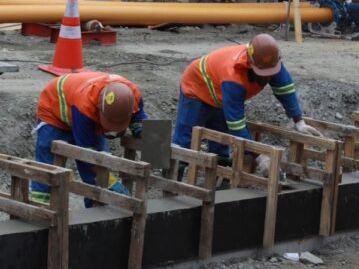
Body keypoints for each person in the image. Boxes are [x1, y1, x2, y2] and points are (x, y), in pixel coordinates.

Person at [173, 34, 322, 179]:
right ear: (250, 65)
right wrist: (258, 156)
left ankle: (219, 182)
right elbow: (237, 126)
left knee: (220, 141)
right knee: (187, 137)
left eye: (270, 73)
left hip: (219, 90)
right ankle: (173, 177)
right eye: (262, 73)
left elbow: (285, 89)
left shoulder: (271, 62)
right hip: (197, 87)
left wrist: (299, 121)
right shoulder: (233, 77)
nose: (267, 77)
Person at [31, 71, 148, 206]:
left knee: (98, 171)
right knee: (48, 166)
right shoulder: (85, 107)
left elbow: (140, 119)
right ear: (99, 109)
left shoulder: (134, 96)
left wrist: (145, 133)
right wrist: (110, 181)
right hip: (53, 109)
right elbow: (86, 153)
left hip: (81, 102)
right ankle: (41, 208)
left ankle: (96, 209)